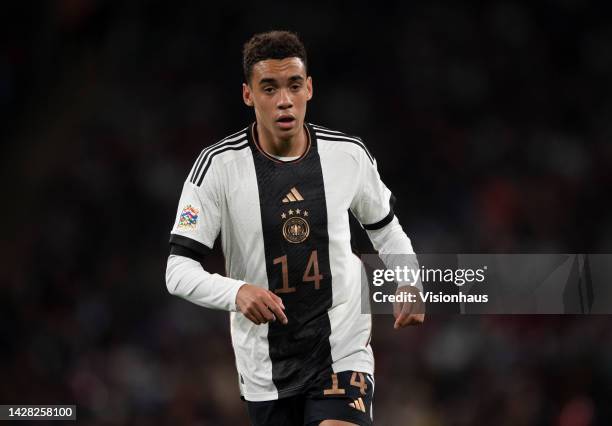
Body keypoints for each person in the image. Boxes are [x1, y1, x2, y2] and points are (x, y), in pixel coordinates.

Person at [165, 30, 424, 426]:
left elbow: (386, 230)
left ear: (309, 89)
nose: (284, 100)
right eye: (269, 88)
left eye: (293, 85)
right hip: (266, 370)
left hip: (341, 349)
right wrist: (237, 292)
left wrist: (408, 280)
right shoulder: (216, 168)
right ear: (248, 95)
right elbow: (177, 271)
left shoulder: (348, 156)